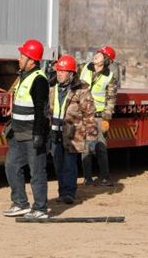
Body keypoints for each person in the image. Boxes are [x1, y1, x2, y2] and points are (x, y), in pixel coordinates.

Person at [2, 38, 50, 220]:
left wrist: (38, 134)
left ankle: (40, 208)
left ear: (32, 60)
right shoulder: (24, 76)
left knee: (37, 171)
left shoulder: (39, 80)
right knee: (11, 166)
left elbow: (41, 110)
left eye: (22, 55)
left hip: (32, 134)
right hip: (18, 132)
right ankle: (20, 203)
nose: (19, 58)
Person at [49, 54, 98, 205]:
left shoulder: (81, 90)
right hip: (55, 132)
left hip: (73, 134)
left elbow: (89, 114)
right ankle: (62, 192)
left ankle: (69, 193)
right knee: (58, 165)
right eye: (58, 70)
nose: (59, 74)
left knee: (69, 164)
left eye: (63, 71)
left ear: (71, 73)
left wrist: (91, 137)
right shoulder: (52, 87)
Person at [80, 45, 118, 186]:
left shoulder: (110, 77)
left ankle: (104, 177)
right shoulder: (83, 68)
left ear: (106, 60)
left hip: (98, 116)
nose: (96, 55)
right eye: (97, 52)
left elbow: (111, 99)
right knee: (86, 148)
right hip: (84, 114)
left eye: (101, 54)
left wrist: (106, 118)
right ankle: (87, 178)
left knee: (100, 147)